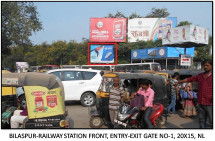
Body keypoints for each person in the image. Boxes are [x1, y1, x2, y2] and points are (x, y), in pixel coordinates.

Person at [175, 59, 212, 128]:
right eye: (204, 65)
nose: (205, 67)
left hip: (210, 103)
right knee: (201, 120)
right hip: (201, 102)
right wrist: (178, 82)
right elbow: (189, 79)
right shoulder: (200, 76)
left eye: (207, 65)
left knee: (211, 120)